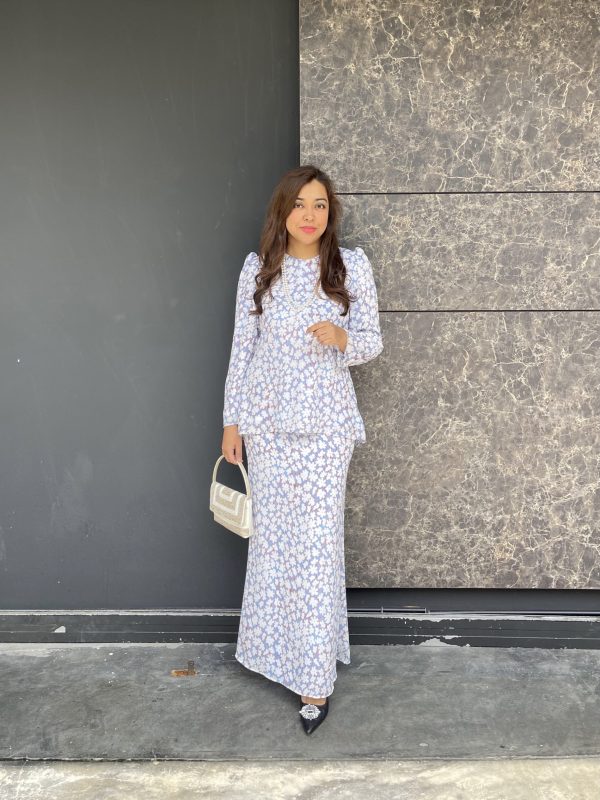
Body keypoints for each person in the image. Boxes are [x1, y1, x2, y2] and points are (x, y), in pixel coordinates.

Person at [221, 164, 383, 734]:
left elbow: (371, 341)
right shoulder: (258, 268)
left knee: (316, 547)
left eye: (319, 205)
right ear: (282, 211)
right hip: (266, 427)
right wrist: (231, 422)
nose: (309, 215)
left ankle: (314, 678)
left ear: (330, 212)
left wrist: (342, 337)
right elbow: (242, 349)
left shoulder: (349, 266)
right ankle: (273, 655)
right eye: (299, 204)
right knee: (274, 545)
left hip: (325, 430)